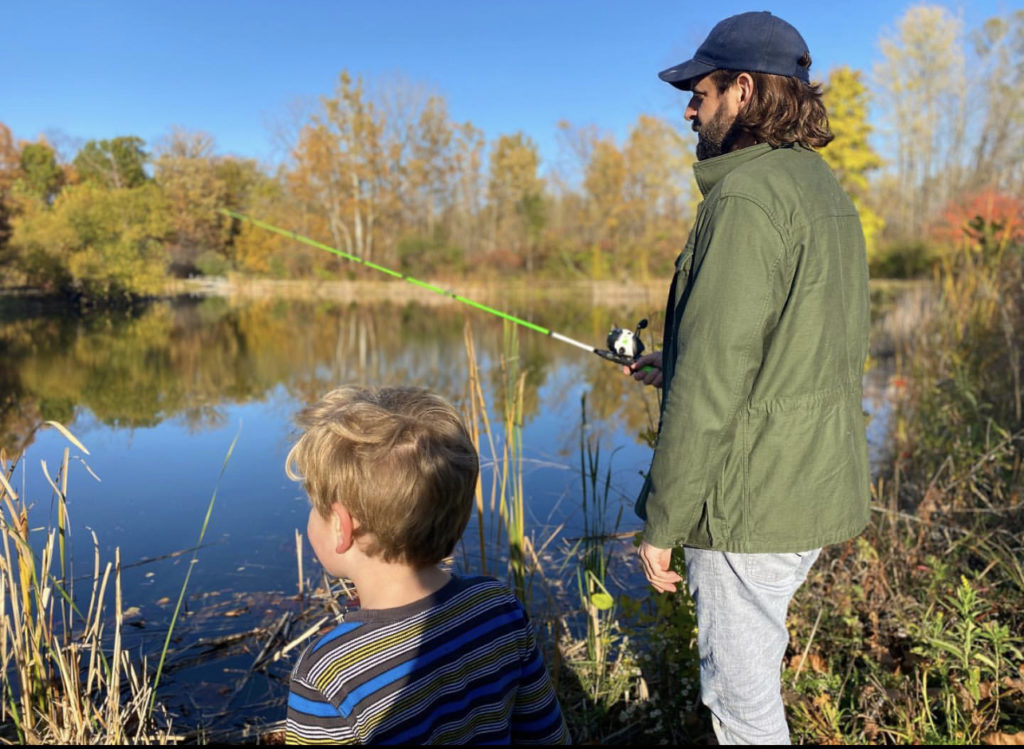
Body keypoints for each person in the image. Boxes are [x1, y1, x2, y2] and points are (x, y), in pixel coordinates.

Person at [625, 11, 871, 745]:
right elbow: (793, 343)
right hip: (810, 484)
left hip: (752, 504)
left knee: (741, 705)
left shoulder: (741, 200)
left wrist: (663, 522)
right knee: (753, 682)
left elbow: (711, 390)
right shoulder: (820, 189)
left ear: (742, 90)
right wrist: (678, 361)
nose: (688, 109)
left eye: (699, 92)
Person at [283, 385, 570, 745]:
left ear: (342, 526)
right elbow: (546, 735)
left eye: (315, 505)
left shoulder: (329, 673)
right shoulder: (499, 608)